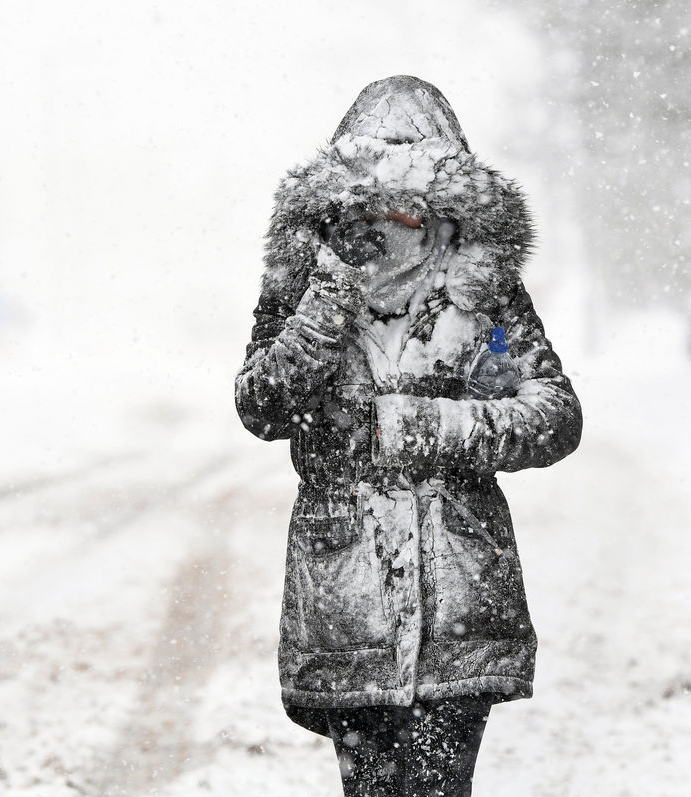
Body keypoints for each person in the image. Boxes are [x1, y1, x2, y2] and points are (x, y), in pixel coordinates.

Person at [234, 75, 582, 797]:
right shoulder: (305, 279)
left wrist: (435, 427)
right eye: (376, 186)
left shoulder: (483, 289)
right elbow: (263, 405)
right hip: (346, 602)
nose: (398, 208)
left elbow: (553, 413)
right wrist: (329, 294)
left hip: (460, 595)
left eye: (418, 185)